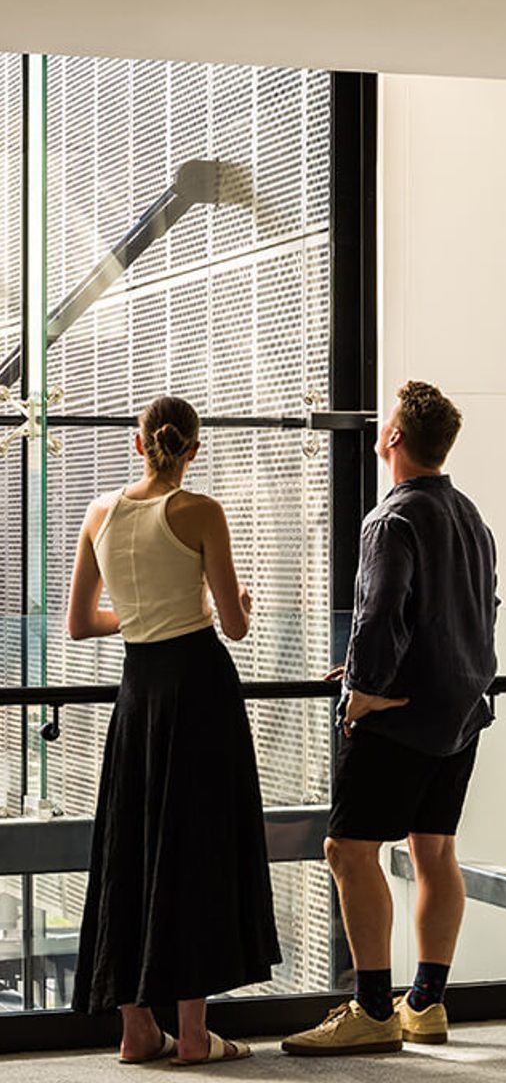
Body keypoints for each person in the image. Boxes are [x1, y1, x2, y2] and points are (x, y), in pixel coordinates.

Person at [283, 380, 498, 1057]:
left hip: (400, 717)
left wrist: (364, 687)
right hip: (460, 712)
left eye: (386, 422)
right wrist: (365, 668)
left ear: (395, 438)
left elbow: (380, 613)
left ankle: (372, 1009)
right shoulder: (470, 517)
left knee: (348, 850)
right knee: (435, 851)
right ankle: (425, 1004)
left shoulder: (391, 518)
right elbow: (479, 610)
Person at [67, 395, 278, 1066]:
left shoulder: (98, 514)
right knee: (196, 847)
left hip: (139, 693)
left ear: (139, 444)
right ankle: (192, 1033)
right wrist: (236, 605)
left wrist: (137, 616)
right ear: (194, 449)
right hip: (200, 690)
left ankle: (136, 1029)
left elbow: (80, 623)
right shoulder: (201, 511)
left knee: (131, 844)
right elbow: (234, 625)